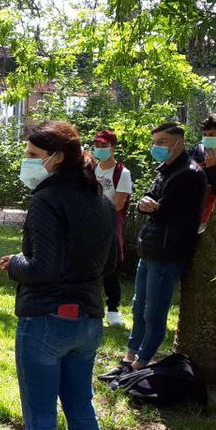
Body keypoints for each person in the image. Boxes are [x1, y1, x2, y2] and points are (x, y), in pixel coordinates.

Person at [0, 121, 115, 430]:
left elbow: (43, 267)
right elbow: (111, 262)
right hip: (87, 321)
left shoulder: (47, 200)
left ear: (57, 159)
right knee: (82, 412)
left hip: (46, 320)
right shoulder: (98, 198)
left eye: (32, 156)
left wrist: (14, 264)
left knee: (41, 420)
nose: (27, 162)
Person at [100, 123, 207, 380]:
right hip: (150, 248)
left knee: (153, 312)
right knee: (138, 307)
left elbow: (168, 212)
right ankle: (129, 358)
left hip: (168, 252)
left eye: (162, 142)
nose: (156, 147)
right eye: (155, 142)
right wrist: (146, 204)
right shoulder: (164, 170)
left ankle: (140, 364)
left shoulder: (190, 173)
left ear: (178, 143)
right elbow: (146, 201)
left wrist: (153, 207)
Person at [90, 130, 133, 328]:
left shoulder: (122, 173)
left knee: (109, 266)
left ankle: (113, 309)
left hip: (109, 223)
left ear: (113, 147)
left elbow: (119, 203)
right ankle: (89, 305)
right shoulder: (91, 169)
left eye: (104, 146)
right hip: (89, 222)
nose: (100, 149)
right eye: (97, 146)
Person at [189, 113, 216, 226]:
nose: (207, 138)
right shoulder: (198, 151)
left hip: (214, 217)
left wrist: (212, 168)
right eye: (204, 135)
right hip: (191, 211)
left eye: (212, 134)